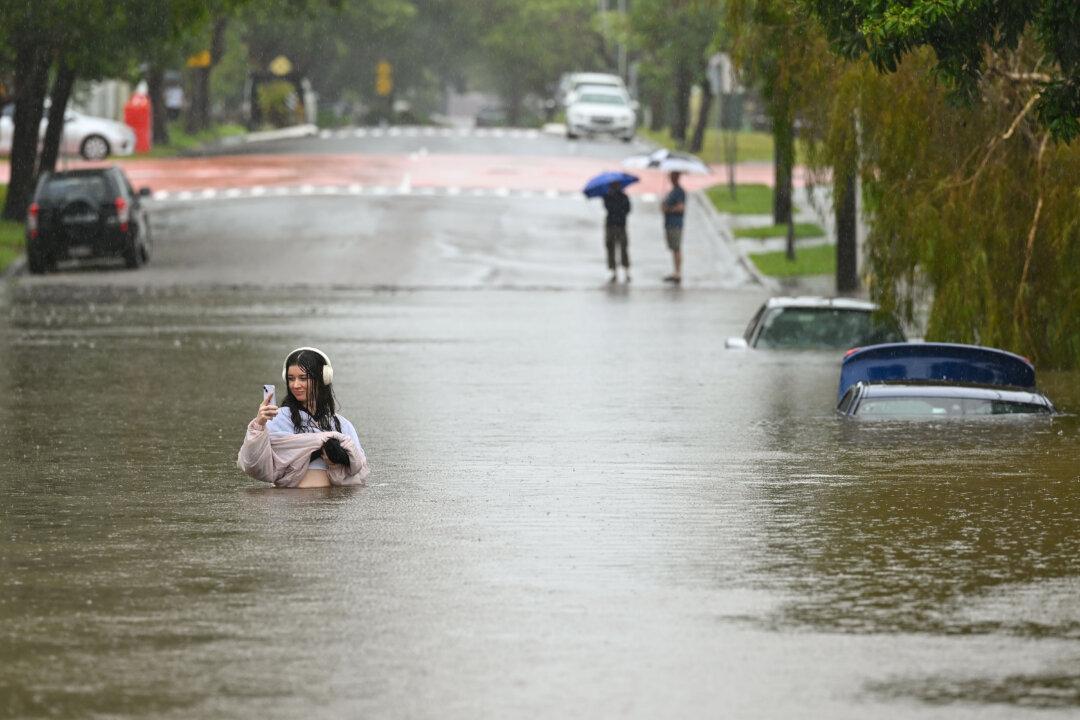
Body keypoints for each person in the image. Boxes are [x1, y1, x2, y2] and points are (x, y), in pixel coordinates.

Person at [237, 347, 369, 488]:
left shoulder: (342, 425)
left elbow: (359, 473)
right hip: (290, 505)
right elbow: (252, 464)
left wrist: (336, 461)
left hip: (331, 506)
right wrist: (258, 424)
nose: (295, 385)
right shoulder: (276, 419)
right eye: (291, 379)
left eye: (303, 378)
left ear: (323, 378)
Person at [603, 180, 631, 283]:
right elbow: (607, 207)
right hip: (611, 225)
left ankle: (626, 272)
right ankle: (614, 272)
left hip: (620, 225)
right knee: (611, 249)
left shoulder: (624, 197)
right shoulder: (608, 196)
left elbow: (628, 209)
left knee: (623, 249)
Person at [660, 171, 686, 285]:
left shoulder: (679, 192)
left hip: (676, 224)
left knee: (676, 248)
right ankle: (675, 271)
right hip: (669, 223)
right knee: (673, 248)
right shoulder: (671, 192)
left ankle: (678, 272)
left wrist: (668, 209)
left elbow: (681, 208)